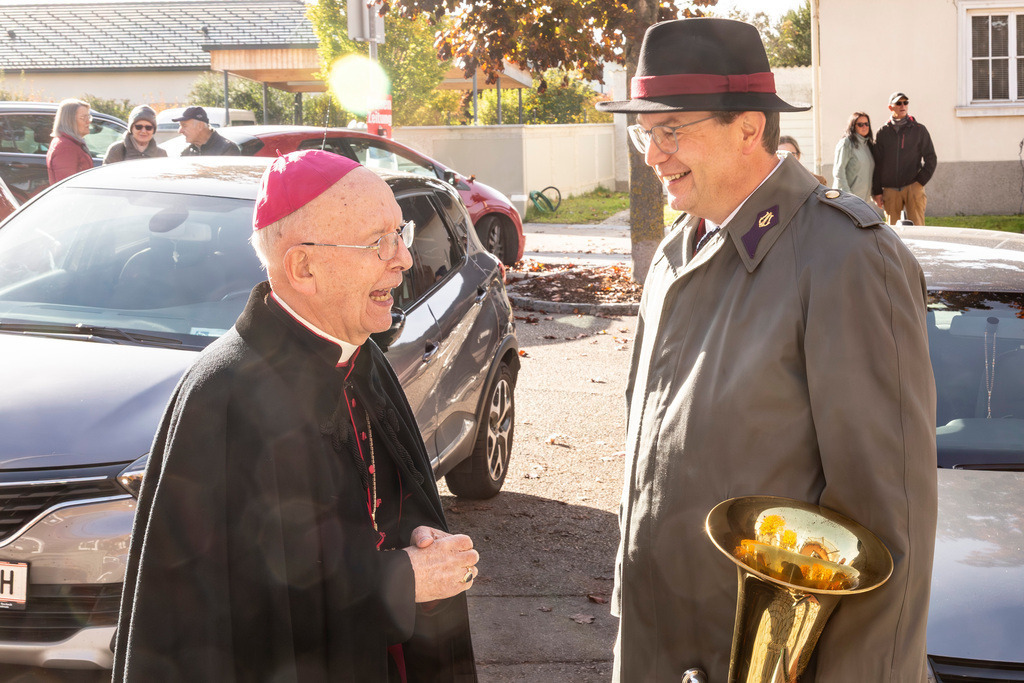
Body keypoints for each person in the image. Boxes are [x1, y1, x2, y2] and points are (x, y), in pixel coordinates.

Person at [596, 18, 936, 683]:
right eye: (643, 133)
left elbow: (889, 529)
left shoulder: (846, 258)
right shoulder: (674, 254)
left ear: (749, 128)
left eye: (672, 131)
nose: (653, 155)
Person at [113, 150, 478, 682]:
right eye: (378, 242)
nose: (403, 258)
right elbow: (233, 611)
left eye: (400, 233)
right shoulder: (226, 394)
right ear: (303, 267)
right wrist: (401, 580)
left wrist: (422, 538)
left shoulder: (363, 358)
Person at [871, 92, 937, 225]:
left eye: (905, 103)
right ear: (890, 107)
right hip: (890, 189)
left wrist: (920, 181)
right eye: (899, 103)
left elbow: (931, 157)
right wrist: (877, 191)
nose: (903, 106)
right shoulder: (882, 132)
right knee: (892, 229)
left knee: (918, 227)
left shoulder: (919, 129)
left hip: (913, 186)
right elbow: (877, 164)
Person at [832, 111, 876, 206]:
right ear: (853, 126)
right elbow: (839, 172)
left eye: (866, 124)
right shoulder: (846, 143)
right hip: (847, 201)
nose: (864, 127)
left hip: (862, 201)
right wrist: (848, 196)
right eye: (860, 124)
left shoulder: (868, 145)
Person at [46, 98, 93, 183]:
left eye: (88, 117)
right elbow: (66, 184)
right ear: (69, 121)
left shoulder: (70, 143)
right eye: (83, 117)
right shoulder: (65, 147)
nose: (88, 121)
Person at [103, 105, 168, 164]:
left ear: (153, 130)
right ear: (131, 128)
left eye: (148, 127)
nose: (143, 131)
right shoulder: (117, 150)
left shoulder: (161, 154)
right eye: (138, 127)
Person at [173, 106, 241, 156]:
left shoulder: (227, 149)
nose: (180, 131)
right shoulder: (187, 152)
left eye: (184, 125)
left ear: (200, 126)